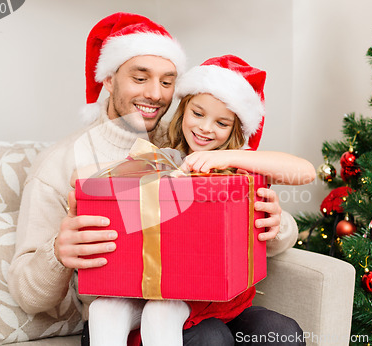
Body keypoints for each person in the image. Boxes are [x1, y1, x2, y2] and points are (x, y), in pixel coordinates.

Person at [7, 12, 301, 346]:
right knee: (208, 335)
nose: (155, 94)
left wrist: (276, 224)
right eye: (140, 77)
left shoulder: (187, 139)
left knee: (279, 333)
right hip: (126, 310)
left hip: (207, 298)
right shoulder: (59, 163)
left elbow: (257, 193)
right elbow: (28, 296)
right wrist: (57, 253)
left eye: (166, 81)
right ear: (108, 79)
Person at [87, 55, 315, 346]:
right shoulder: (163, 158)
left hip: (220, 299)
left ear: (235, 130)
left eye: (221, 122)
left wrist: (225, 156)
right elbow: (95, 185)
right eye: (198, 114)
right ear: (183, 111)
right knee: (111, 308)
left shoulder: (240, 171)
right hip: (161, 286)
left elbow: (305, 172)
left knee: (279, 331)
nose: (206, 128)